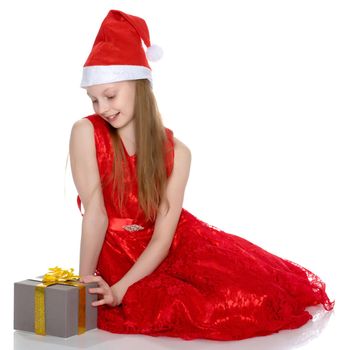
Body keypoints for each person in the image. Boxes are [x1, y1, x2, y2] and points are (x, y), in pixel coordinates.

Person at [69, 9, 335, 341]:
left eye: (110, 95)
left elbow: (163, 238)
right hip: (119, 254)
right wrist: (83, 284)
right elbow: (95, 214)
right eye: (94, 99)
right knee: (176, 305)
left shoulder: (178, 153)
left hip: (170, 245)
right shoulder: (86, 132)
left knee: (249, 294)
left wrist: (120, 289)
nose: (102, 108)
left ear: (139, 86)